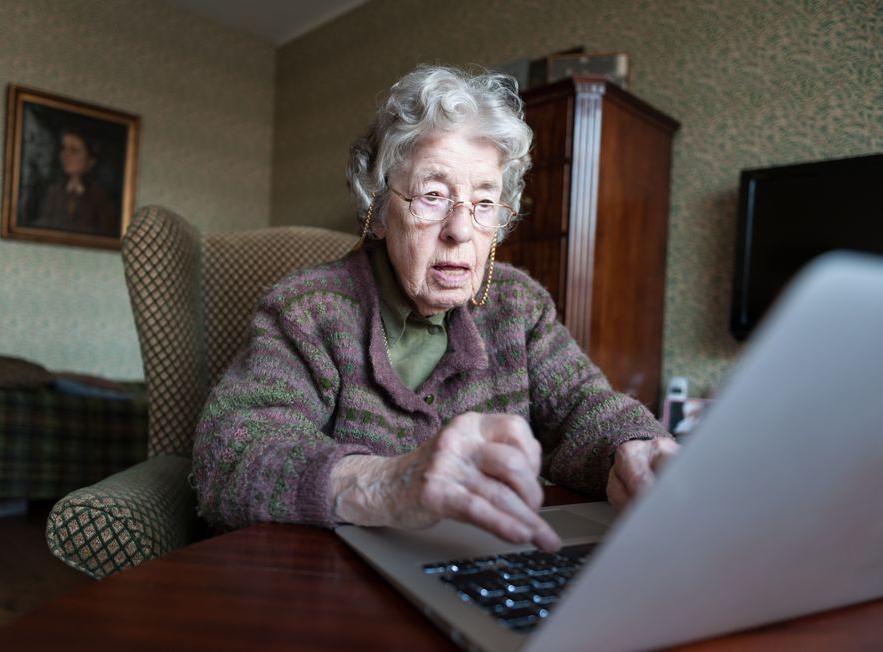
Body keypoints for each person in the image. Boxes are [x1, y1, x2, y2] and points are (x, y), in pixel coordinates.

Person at [192, 65, 678, 551]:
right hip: (334, 585)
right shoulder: (308, 311)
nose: (461, 230)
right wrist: (388, 481)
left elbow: (586, 408)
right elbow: (233, 454)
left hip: (485, 564)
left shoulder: (518, 305)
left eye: (484, 203)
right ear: (379, 210)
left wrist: (633, 448)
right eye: (433, 195)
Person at [33, 128, 119, 237]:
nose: (65, 155)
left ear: (91, 161)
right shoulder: (53, 192)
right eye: (64, 149)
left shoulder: (101, 197)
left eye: (74, 151)